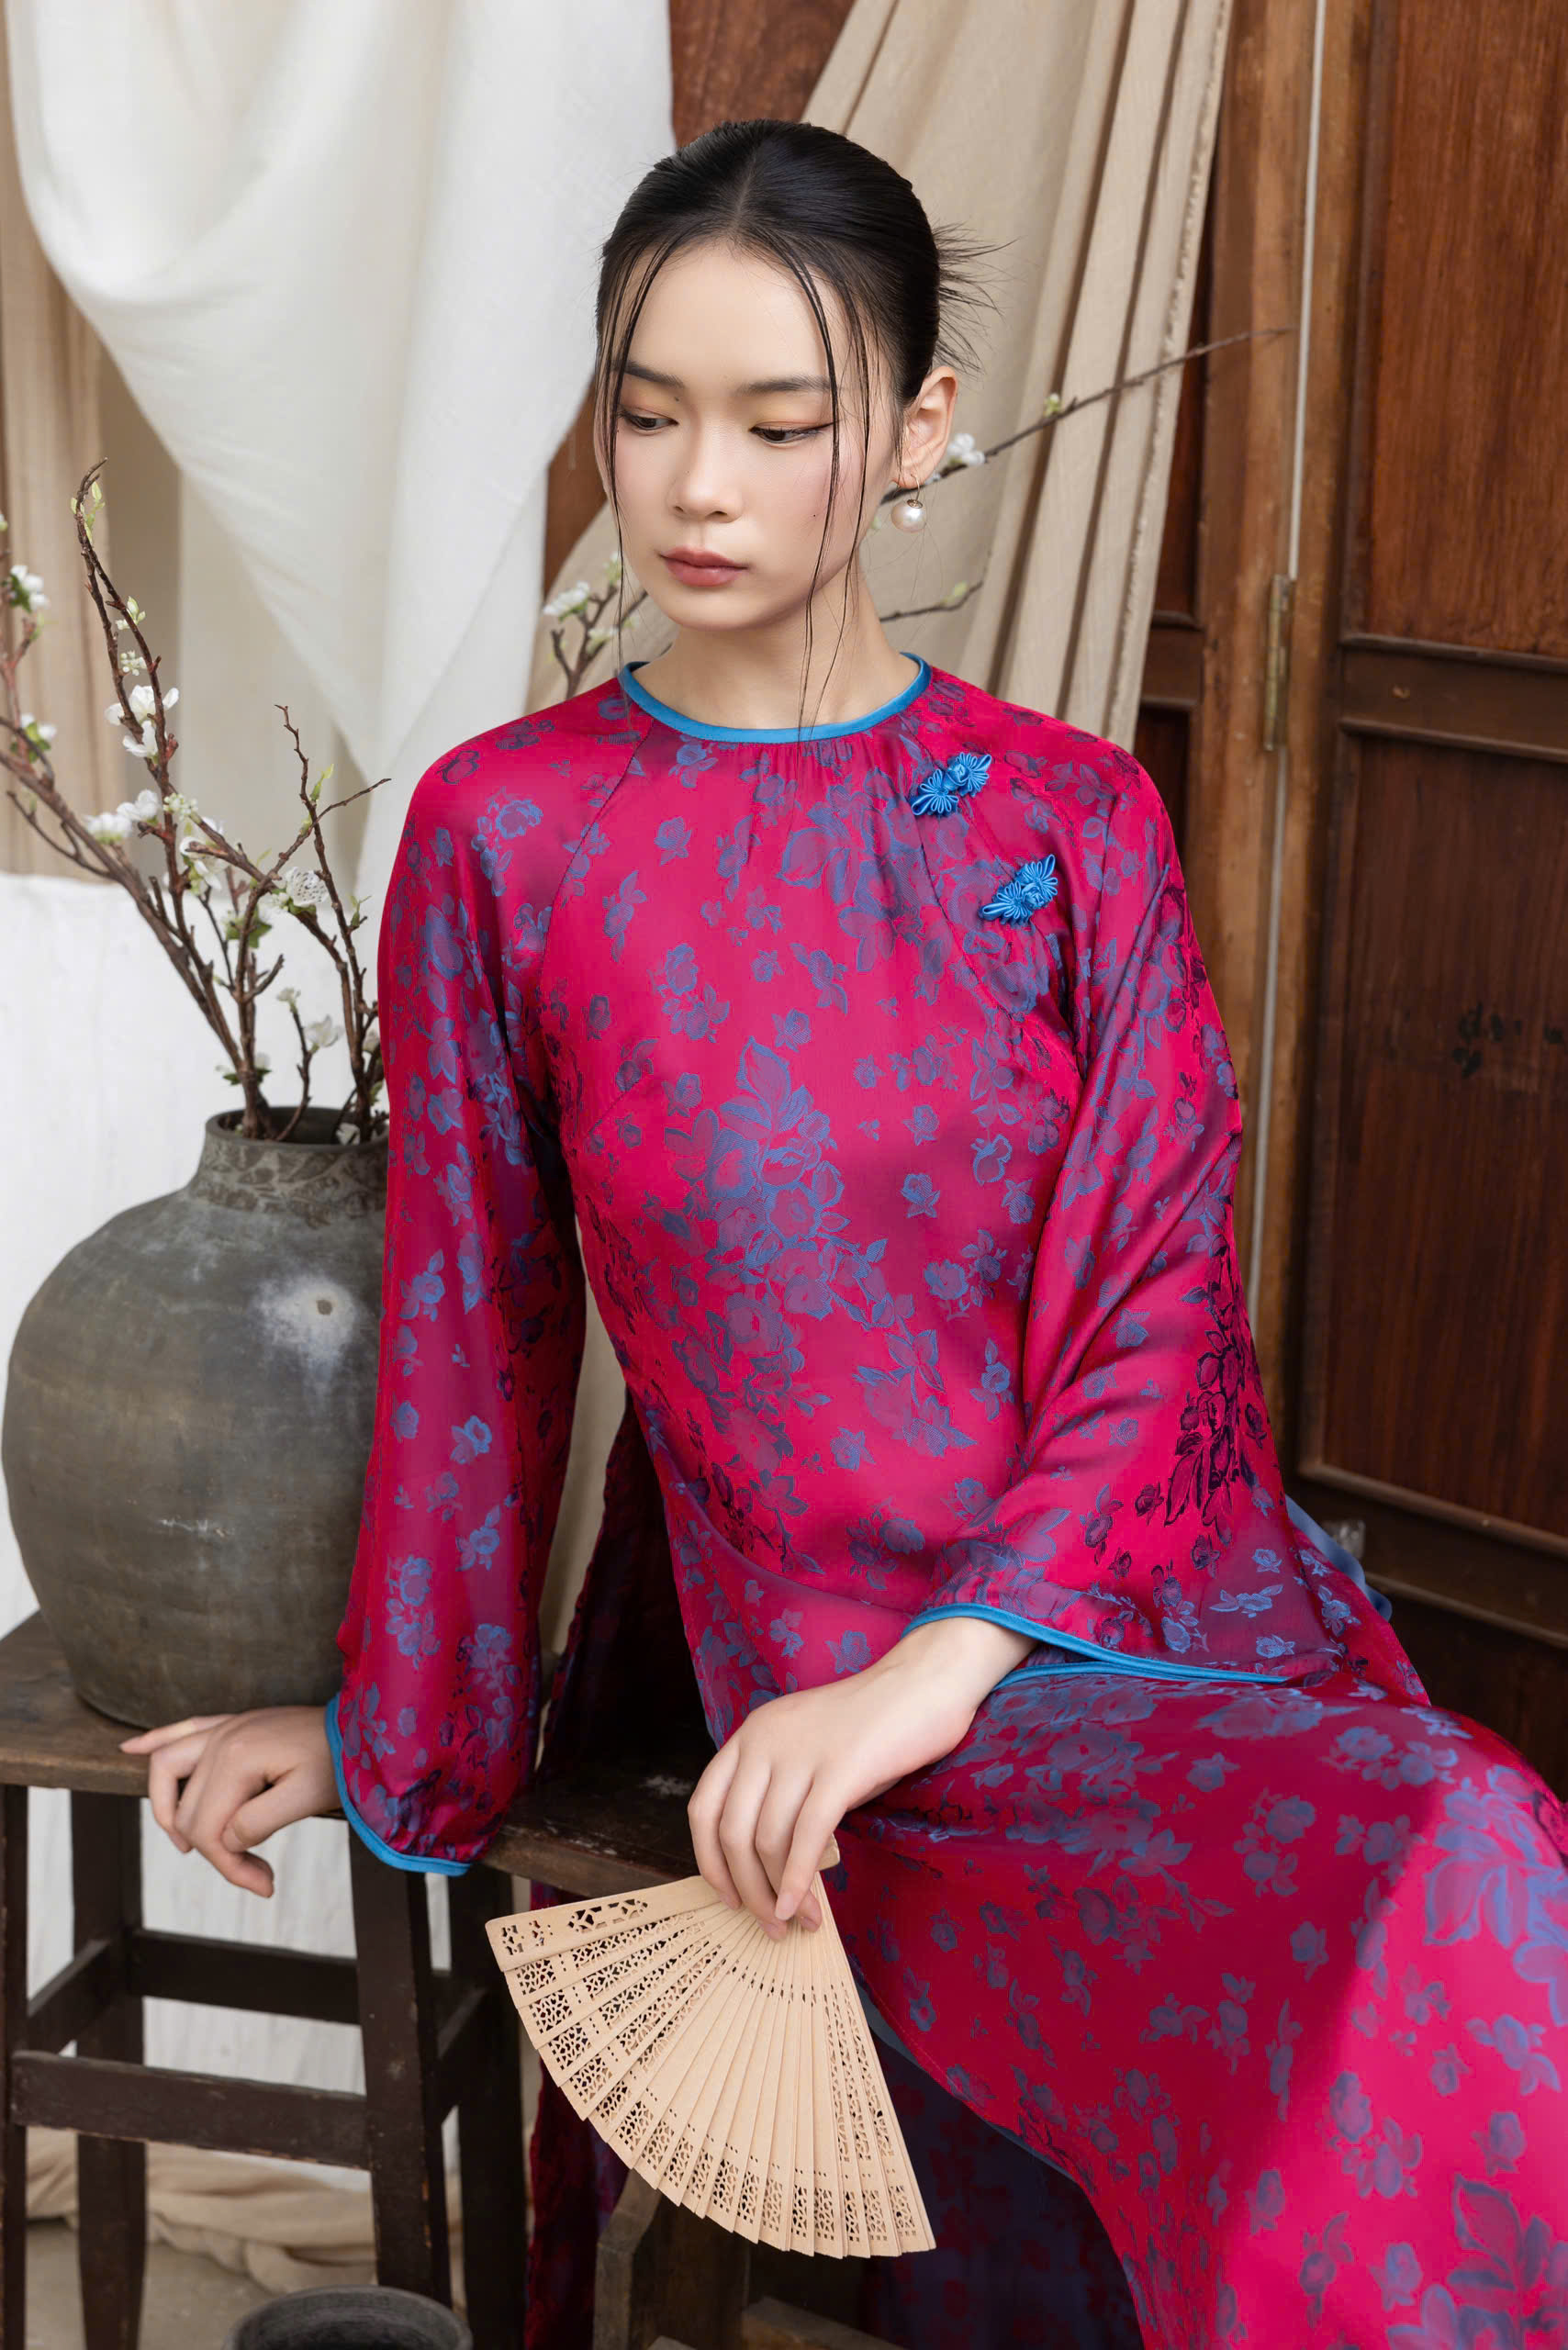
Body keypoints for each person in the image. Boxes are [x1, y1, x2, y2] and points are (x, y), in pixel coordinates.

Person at [123, 118, 1568, 2350]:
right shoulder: (509, 835)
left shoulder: (1069, 817)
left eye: (778, 423)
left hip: (1126, 1626)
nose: (696, 486)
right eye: (647, 413)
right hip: (821, 1694)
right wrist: (393, 1734)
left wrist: (948, 1657)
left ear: (910, 429)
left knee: (1464, 1844)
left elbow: (1161, 1302)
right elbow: (472, 1337)